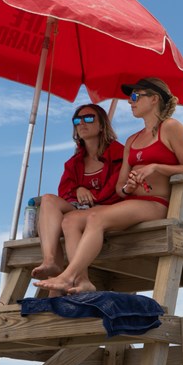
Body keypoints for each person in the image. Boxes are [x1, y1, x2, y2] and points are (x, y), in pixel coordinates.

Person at [36, 78, 183, 294]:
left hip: (157, 203)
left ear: (154, 98)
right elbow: (120, 187)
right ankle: (82, 281)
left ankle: (68, 276)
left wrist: (156, 167)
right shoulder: (132, 140)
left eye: (135, 96)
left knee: (95, 218)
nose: (130, 102)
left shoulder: (171, 128)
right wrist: (129, 187)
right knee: (71, 220)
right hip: (131, 203)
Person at [31, 103, 125, 281]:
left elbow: (117, 186)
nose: (81, 123)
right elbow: (64, 190)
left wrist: (93, 198)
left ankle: (77, 280)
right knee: (48, 199)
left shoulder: (119, 153)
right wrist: (78, 189)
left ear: (102, 125)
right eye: (77, 120)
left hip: (108, 211)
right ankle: (51, 260)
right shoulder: (74, 162)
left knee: (67, 220)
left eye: (89, 118)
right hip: (79, 210)